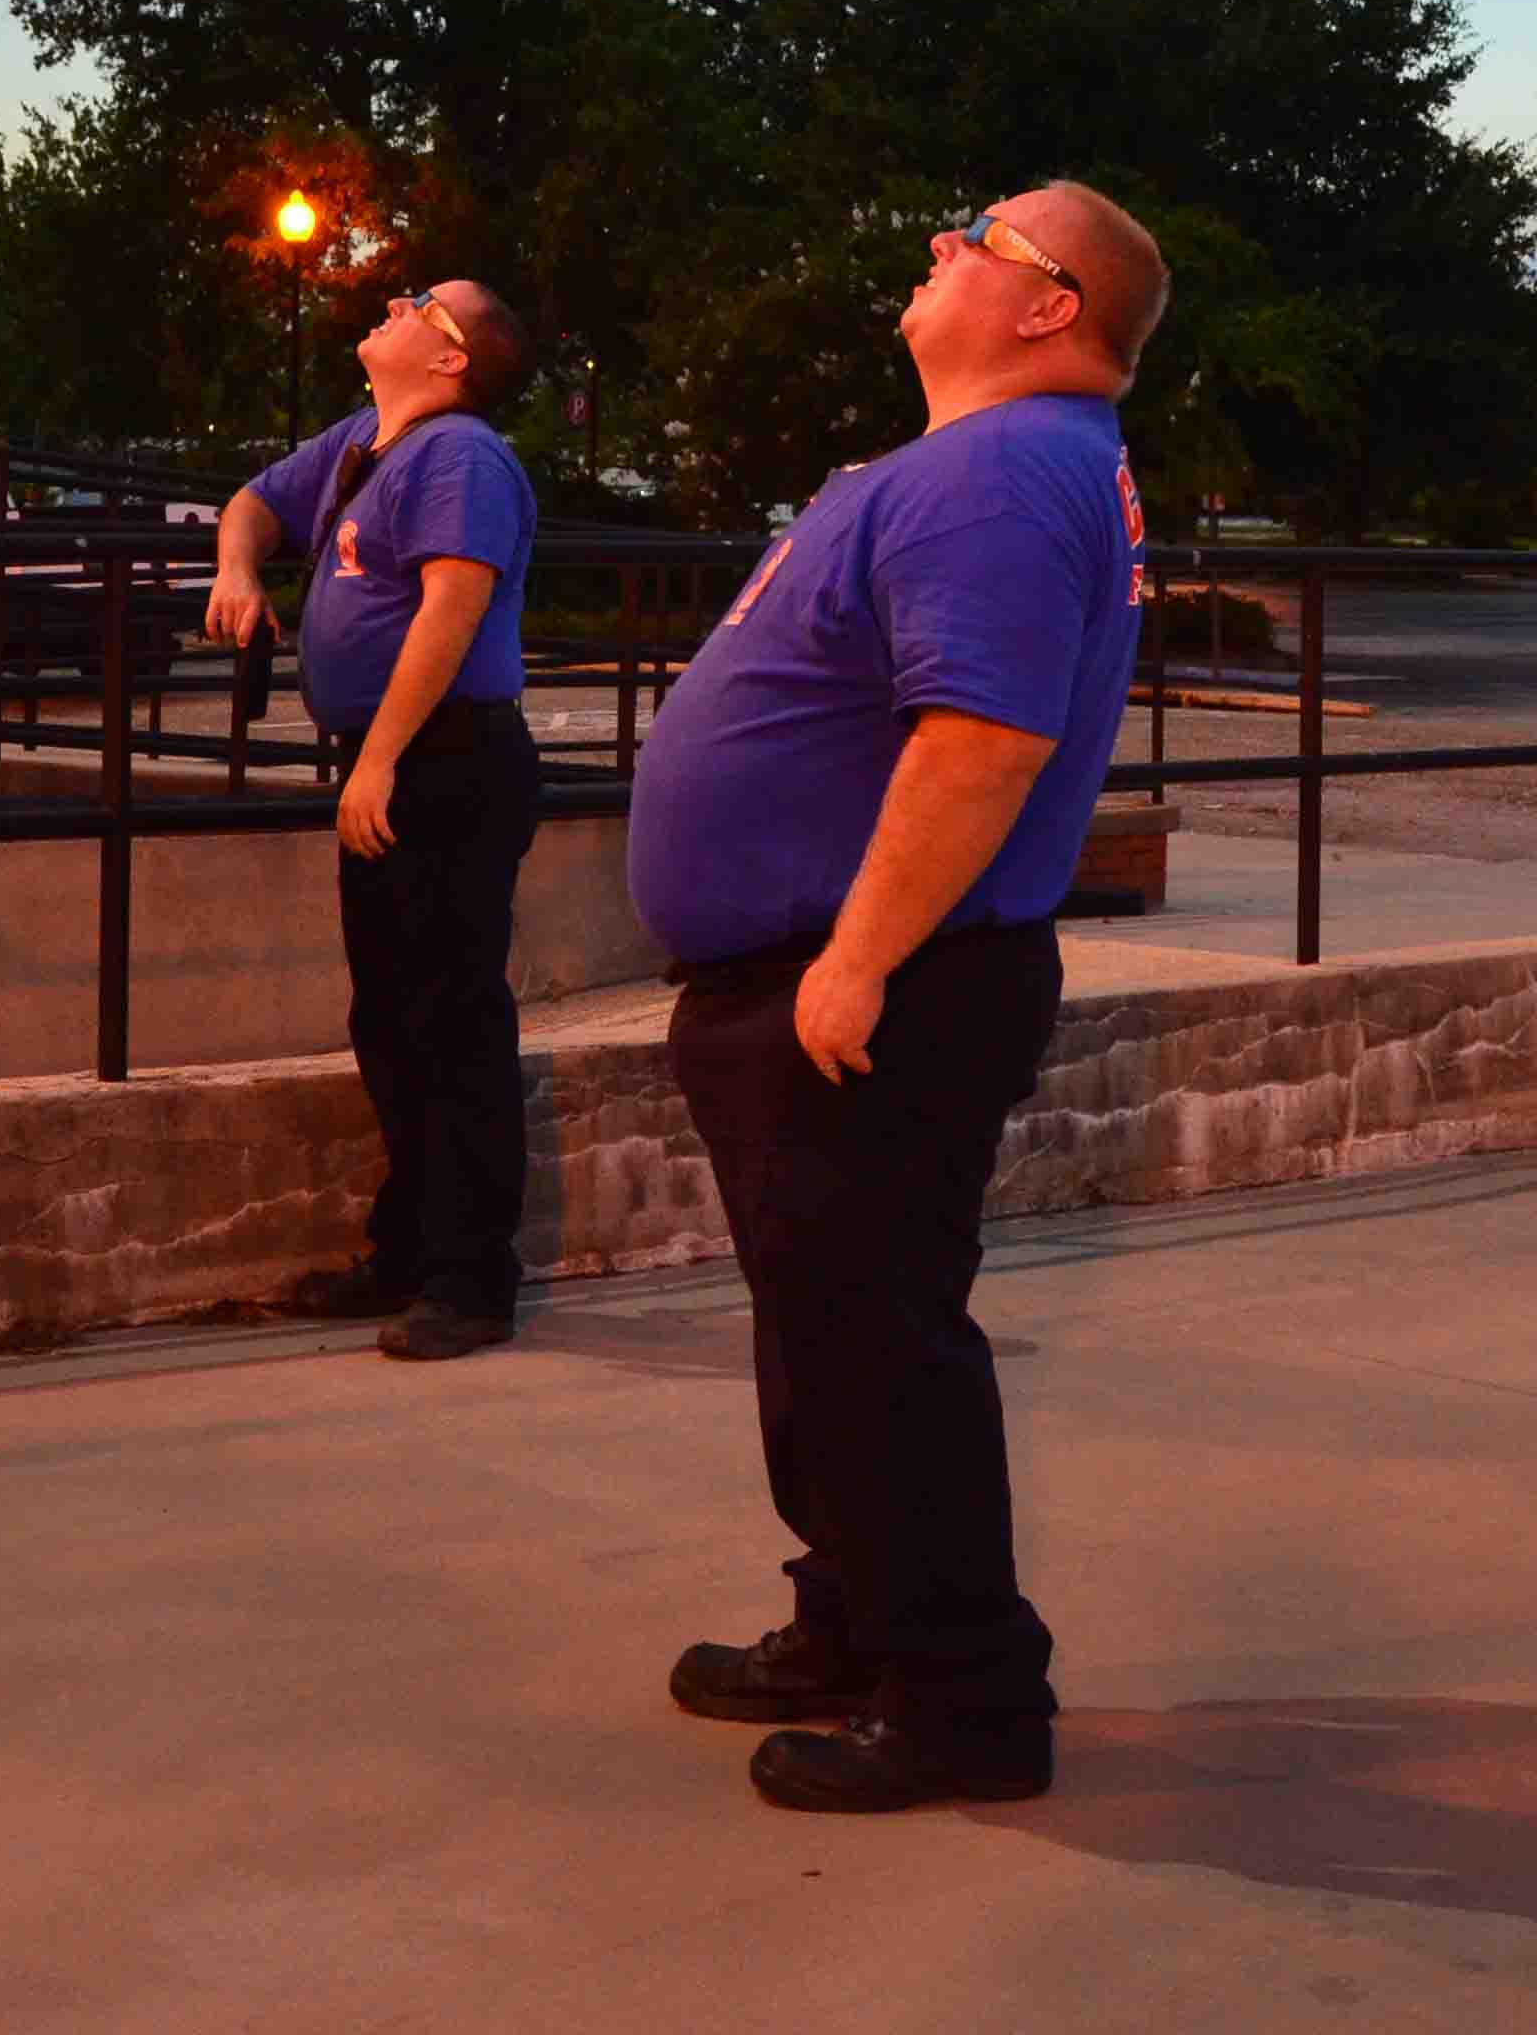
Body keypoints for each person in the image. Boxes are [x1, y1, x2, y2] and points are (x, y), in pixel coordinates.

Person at [630, 181, 1166, 1815]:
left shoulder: (1003, 468)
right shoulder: (952, 464)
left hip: (875, 980)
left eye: (976, 236)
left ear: (1048, 304)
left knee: (873, 1341)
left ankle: (961, 1692)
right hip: (820, 974)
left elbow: (981, 736)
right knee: (824, 1330)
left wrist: (853, 953)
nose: (937, 244)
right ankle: (857, 1616)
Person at [207, 278, 546, 1362]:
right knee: (390, 1019)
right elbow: (253, 502)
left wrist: (384, 760)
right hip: (391, 761)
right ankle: (408, 1249)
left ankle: (473, 1279)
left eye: (418, 306)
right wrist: (239, 570)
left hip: (445, 761)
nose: (392, 306)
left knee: (450, 1019)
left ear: (450, 360)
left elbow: (452, 609)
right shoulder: (365, 440)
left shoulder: (461, 458)